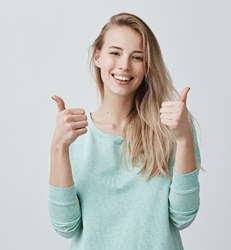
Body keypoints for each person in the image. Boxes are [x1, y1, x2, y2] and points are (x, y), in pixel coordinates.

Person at [48, 12, 201, 250]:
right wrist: (58, 147)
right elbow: (65, 226)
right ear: (98, 56)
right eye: (115, 53)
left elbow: (183, 217)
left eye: (137, 57)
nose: (124, 65)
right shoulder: (73, 136)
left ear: (147, 65)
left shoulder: (172, 127)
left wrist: (184, 139)